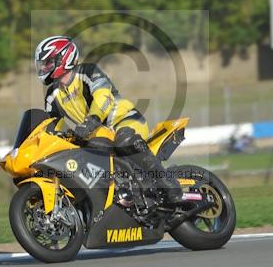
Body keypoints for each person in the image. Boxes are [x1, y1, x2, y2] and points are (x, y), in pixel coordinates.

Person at [34, 35, 182, 203]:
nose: (43, 67)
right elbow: (52, 125)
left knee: (124, 138)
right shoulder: (52, 95)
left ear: (62, 58)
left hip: (124, 119)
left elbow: (103, 96)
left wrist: (92, 120)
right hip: (96, 133)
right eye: (42, 64)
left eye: (47, 62)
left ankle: (166, 182)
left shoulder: (87, 72)